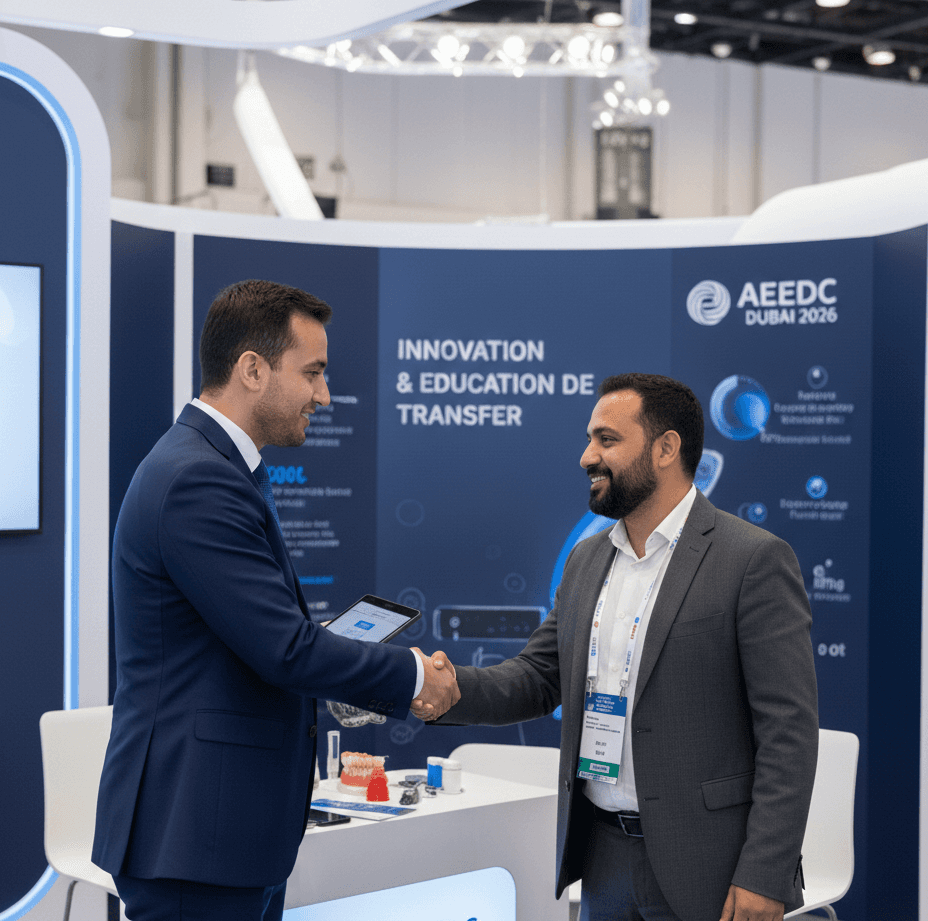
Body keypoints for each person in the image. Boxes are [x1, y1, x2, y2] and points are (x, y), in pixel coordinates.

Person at [92, 279, 459, 921]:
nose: (324, 394)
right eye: (312, 372)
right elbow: (284, 648)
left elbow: (261, 639)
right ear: (253, 369)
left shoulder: (216, 468)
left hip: (220, 831)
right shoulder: (196, 478)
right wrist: (408, 675)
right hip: (194, 834)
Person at [417, 373, 818, 921]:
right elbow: (537, 678)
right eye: (590, 439)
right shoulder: (587, 561)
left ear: (666, 448)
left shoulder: (752, 560)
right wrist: (439, 688)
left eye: (607, 440)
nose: (587, 456)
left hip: (710, 865)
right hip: (602, 855)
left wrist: (765, 874)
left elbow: (788, 733)